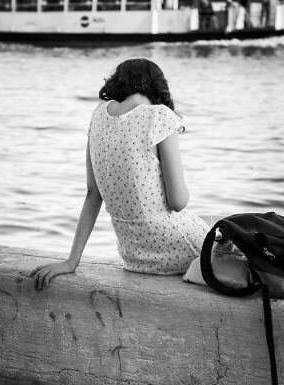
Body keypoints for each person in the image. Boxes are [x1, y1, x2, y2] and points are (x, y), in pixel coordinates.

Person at [30, 58, 209, 290]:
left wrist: (71, 261)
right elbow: (178, 202)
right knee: (233, 239)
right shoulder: (159, 116)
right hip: (173, 247)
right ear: (158, 88)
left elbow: (92, 194)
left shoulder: (97, 115)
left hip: (133, 255)